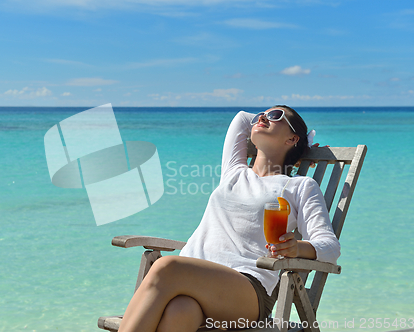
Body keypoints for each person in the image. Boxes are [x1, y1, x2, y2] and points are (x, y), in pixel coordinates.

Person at [118, 106, 341, 332]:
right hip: (194, 284)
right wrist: (302, 148)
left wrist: (296, 248)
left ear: (291, 137)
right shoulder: (234, 171)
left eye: (275, 116)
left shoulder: (299, 186)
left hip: (248, 289)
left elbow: (330, 248)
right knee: (181, 310)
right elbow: (242, 118)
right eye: (261, 115)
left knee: (166, 265)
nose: (262, 117)